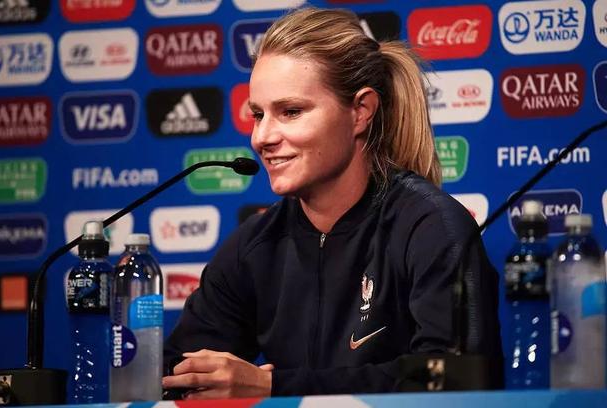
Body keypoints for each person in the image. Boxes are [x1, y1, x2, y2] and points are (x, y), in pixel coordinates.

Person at [162, 7, 502, 399]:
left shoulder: (431, 227)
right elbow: (172, 376)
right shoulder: (254, 247)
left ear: (360, 112)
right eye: (258, 115)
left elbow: (456, 378)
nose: (262, 137)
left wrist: (273, 387)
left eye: (291, 112)